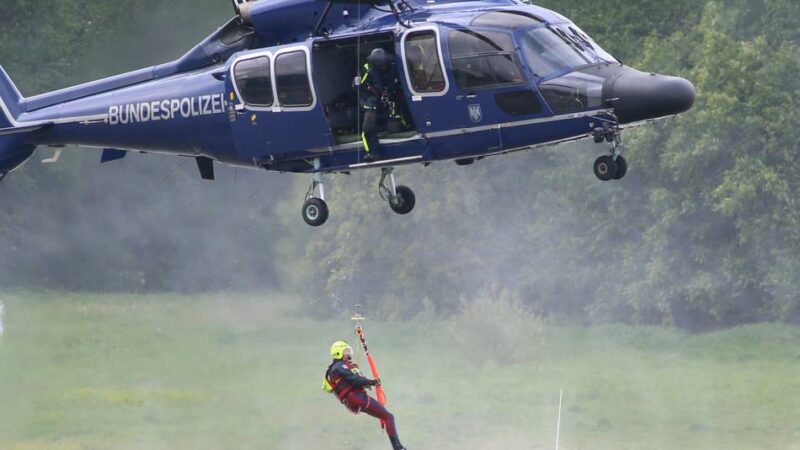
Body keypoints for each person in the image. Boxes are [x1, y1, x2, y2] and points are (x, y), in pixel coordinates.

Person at [323, 341, 407, 450]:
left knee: (386, 417)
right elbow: (354, 380)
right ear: (339, 353)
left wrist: (366, 383)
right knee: (388, 417)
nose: (349, 354)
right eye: (346, 352)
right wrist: (371, 382)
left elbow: (351, 380)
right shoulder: (339, 366)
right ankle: (398, 448)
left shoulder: (336, 368)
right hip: (356, 398)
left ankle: (398, 448)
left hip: (352, 402)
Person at [359, 48, 405, 160]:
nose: (383, 68)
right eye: (380, 67)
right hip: (373, 98)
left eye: (384, 65)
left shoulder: (396, 65)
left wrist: (393, 92)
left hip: (393, 96)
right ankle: (372, 152)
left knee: (395, 125)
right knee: (368, 126)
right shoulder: (367, 69)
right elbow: (360, 87)